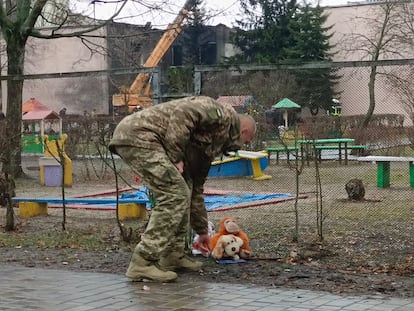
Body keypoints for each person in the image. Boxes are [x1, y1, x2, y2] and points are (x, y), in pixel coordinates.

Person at [108, 96, 256, 282]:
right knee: (174, 195)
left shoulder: (213, 142)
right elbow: (184, 113)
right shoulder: (218, 113)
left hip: (153, 142)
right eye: (247, 141)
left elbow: (196, 189)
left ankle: (173, 255)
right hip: (140, 135)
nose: (244, 146)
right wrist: (176, 155)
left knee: (184, 190)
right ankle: (142, 261)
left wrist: (202, 231)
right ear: (243, 131)